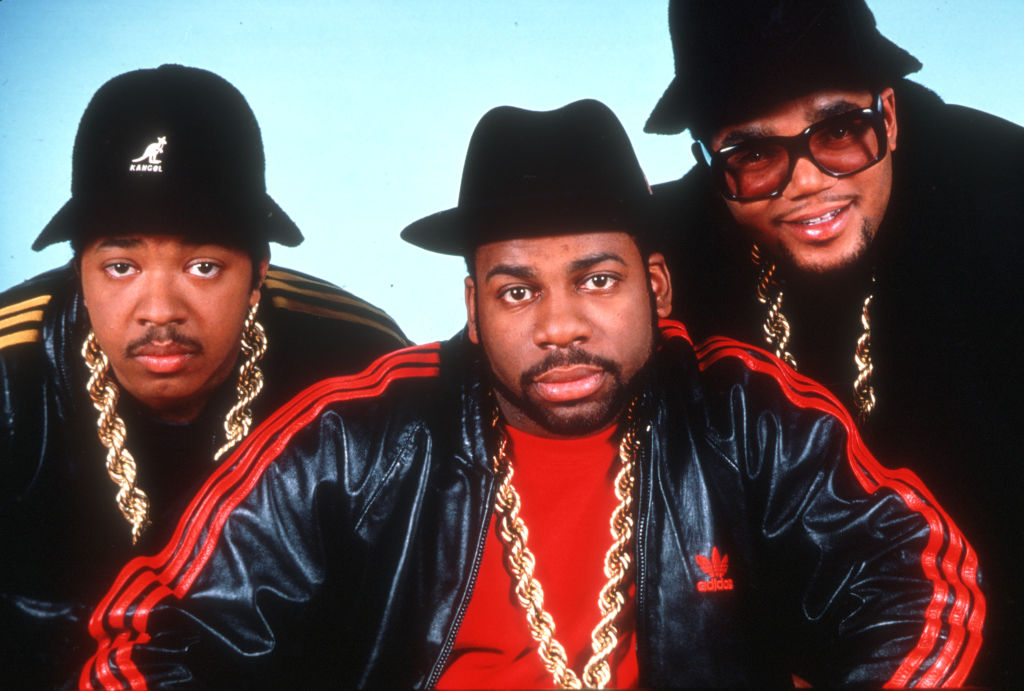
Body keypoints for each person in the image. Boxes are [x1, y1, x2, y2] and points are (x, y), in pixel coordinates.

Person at [79, 99, 980, 689]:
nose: (560, 326)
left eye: (597, 280)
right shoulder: (357, 435)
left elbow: (918, 576)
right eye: (517, 290)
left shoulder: (743, 411)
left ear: (657, 288)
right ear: (472, 307)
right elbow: (151, 640)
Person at [644, 0, 1023, 683]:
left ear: (891, 113)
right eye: (754, 153)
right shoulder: (660, 252)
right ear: (707, 157)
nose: (809, 181)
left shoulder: (1006, 199)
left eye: (842, 130)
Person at [0, 64, 408, 689]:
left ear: (258, 274)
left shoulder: (357, 361)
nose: (159, 310)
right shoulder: (11, 369)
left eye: (203, 265)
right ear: (78, 267)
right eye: (119, 266)